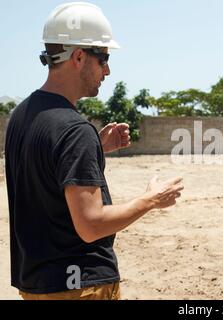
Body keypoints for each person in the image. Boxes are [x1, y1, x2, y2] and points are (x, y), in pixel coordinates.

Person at [5, 2, 183, 300]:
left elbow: (44, 172)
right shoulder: (74, 130)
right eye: (103, 59)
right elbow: (90, 225)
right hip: (80, 286)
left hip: (36, 285)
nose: (108, 70)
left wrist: (96, 148)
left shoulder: (21, 116)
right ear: (78, 57)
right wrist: (151, 200)